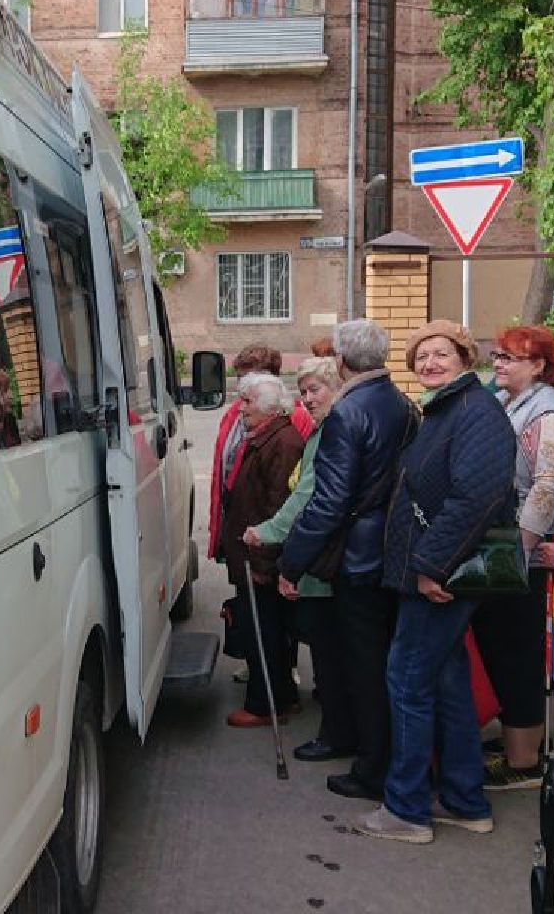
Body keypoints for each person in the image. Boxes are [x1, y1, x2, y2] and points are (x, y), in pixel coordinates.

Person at [358, 320, 514, 844]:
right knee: (447, 685)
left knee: (407, 681)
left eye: (441, 353)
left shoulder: (474, 412)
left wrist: (431, 565)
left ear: (465, 358)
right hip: (432, 572)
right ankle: (465, 801)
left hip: (440, 576)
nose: (429, 363)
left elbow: (477, 497)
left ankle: (406, 809)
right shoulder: (448, 409)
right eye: (421, 356)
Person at [276, 319, 418, 800]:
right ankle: (375, 755)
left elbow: (330, 501)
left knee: (365, 664)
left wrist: (292, 561)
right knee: (379, 660)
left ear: (339, 361)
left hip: (359, 554)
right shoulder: (400, 402)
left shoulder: (348, 412)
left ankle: (373, 769)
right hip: (391, 545)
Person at [473, 325, 554, 789]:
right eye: (497, 355)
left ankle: (524, 762)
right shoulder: (512, 402)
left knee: (516, 653)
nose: (498, 364)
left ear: (539, 366)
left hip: (523, 555)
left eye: (510, 358)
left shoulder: (547, 412)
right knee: (500, 647)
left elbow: (550, 485)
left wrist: (519, 546)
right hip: (508, 547)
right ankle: (517, 741)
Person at [246, 357, 351, 761]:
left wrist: (270, 535)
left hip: (324, 557)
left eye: (315, 390)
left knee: (330, 653)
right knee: (329, 651)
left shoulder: (330, 431)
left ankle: (337, 735)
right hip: (320, 553)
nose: (307, 398)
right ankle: (339, 729)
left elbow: (308, 496)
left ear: (337, 388)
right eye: (303, 391)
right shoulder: (323, 428)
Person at [217, 372, 309, 727]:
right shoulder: (267, 437)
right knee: (269, 631)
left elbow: (278, 507)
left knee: (264, 634)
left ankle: (265, 706)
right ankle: (283, 697)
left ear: (270, 407)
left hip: (260, 558)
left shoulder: (282, 443)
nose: (241, 408)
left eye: (248, 401)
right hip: (253, 554)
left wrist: (263, 563)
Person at [208, 345, 312, 559]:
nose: (243, 385)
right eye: (240, 378)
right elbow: (223, 475)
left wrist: (266, 555)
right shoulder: (233, 414)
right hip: (241, 534)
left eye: (249, 378)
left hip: (261, 544)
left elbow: (282, 497)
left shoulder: (292, 420)